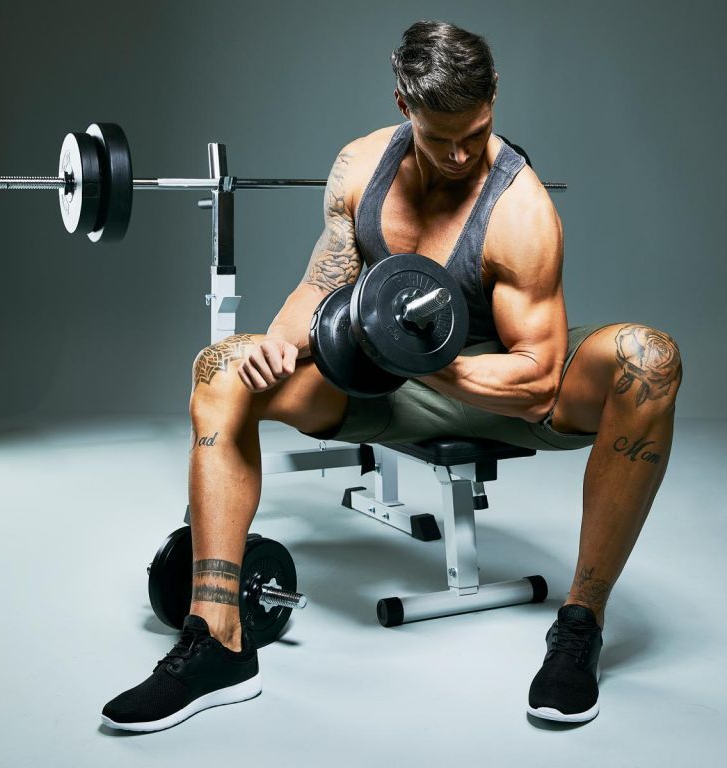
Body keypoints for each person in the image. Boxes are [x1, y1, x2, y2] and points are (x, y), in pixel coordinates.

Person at [101, 20, 682, 731]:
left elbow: (536, 379)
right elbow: (323, 284)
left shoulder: (521, 210)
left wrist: (420, 358)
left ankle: (580, 626)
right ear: (405, 105)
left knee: (650, 361)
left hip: (499, 388)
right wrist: (277, 345)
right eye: (442, 139)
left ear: (494, 95)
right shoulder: (360, 167)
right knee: (221, 368)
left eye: (476, 131)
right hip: (384, 379)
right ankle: (216, 639)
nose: (461, 154)